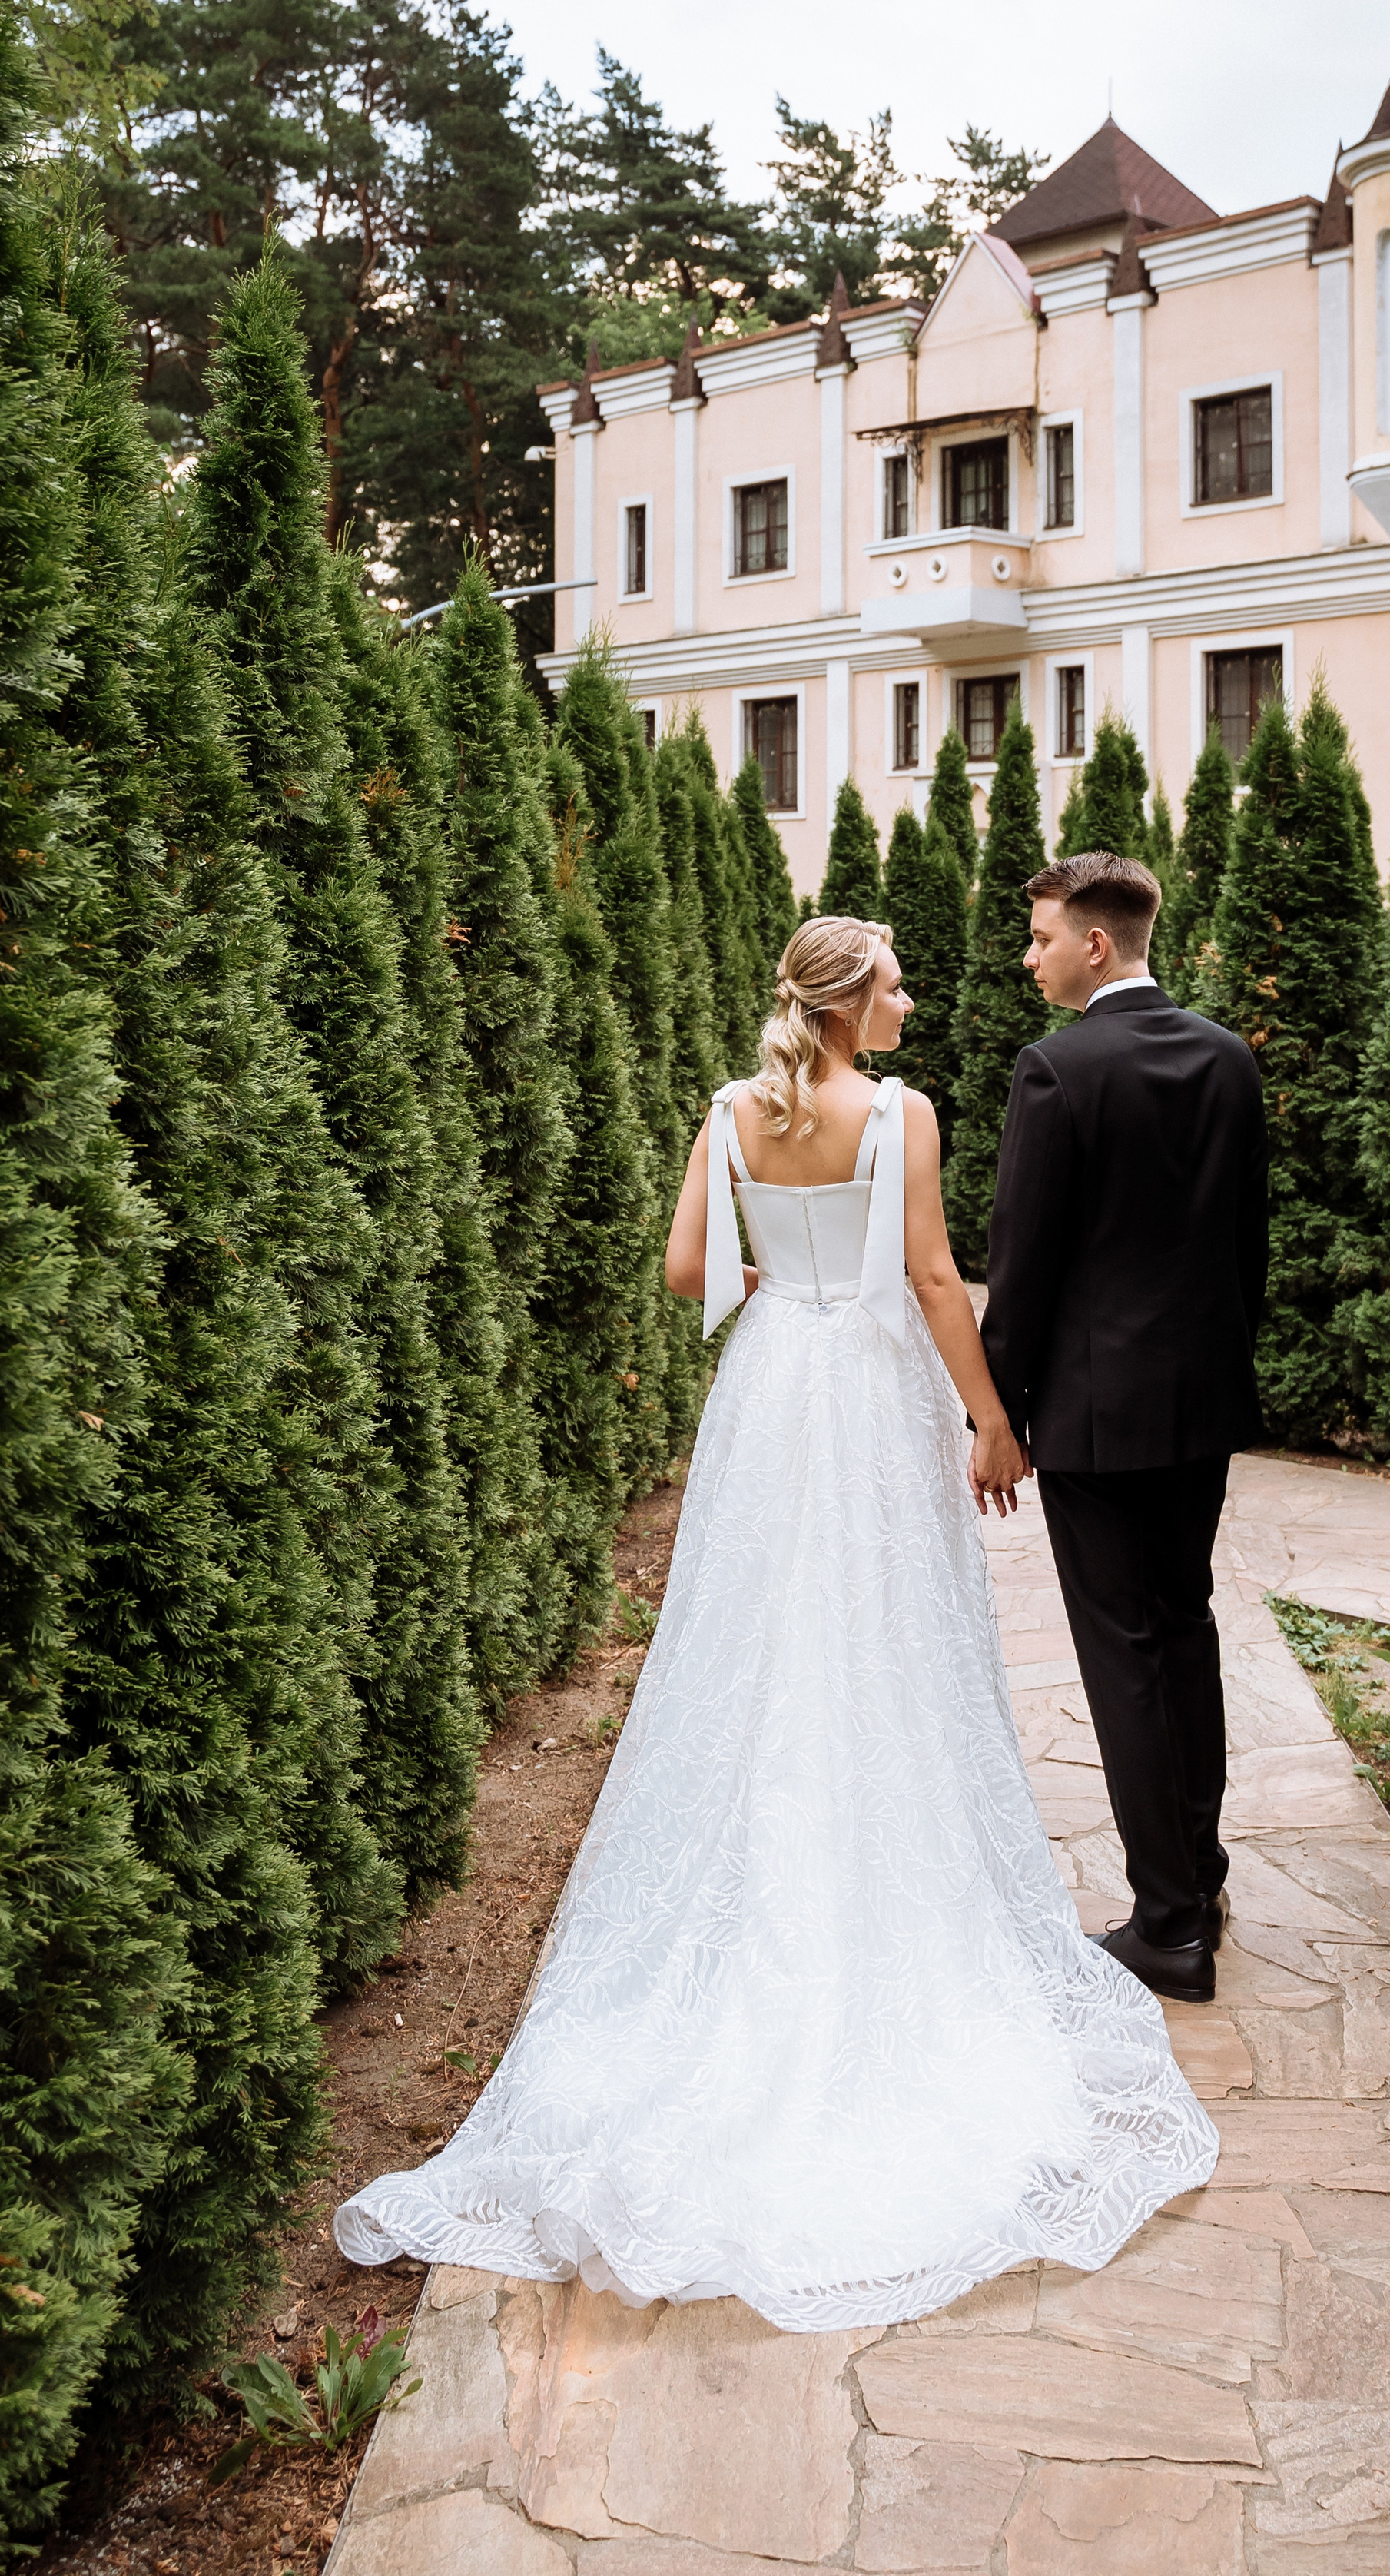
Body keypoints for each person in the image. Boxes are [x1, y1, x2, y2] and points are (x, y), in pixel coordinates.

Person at [334, 914, 1216, 2329]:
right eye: (897, 977)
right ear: (855, 999)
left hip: (770, 1388)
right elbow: (934, 1278)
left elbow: (689, 1273)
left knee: (751, 1645)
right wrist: (995, 1420)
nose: (912, 993)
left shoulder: (732, 1112)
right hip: (868, 1390)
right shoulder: (904, 1113)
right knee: (887, 1648)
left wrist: (782, 1290)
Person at [980, 851, 1269, 2007]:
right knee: (1183, 1628)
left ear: (1097, 943)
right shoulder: (1227, 1057)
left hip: (1097, 1419)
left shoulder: (1055, 1070)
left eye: (1042, 936)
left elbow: (1025, 1261)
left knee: (1124, 1656)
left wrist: (996, 1412)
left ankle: (1167, 1929)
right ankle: (1198, 1876)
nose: (1031, 955)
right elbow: (1247, 1245)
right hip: (1200, 1405)